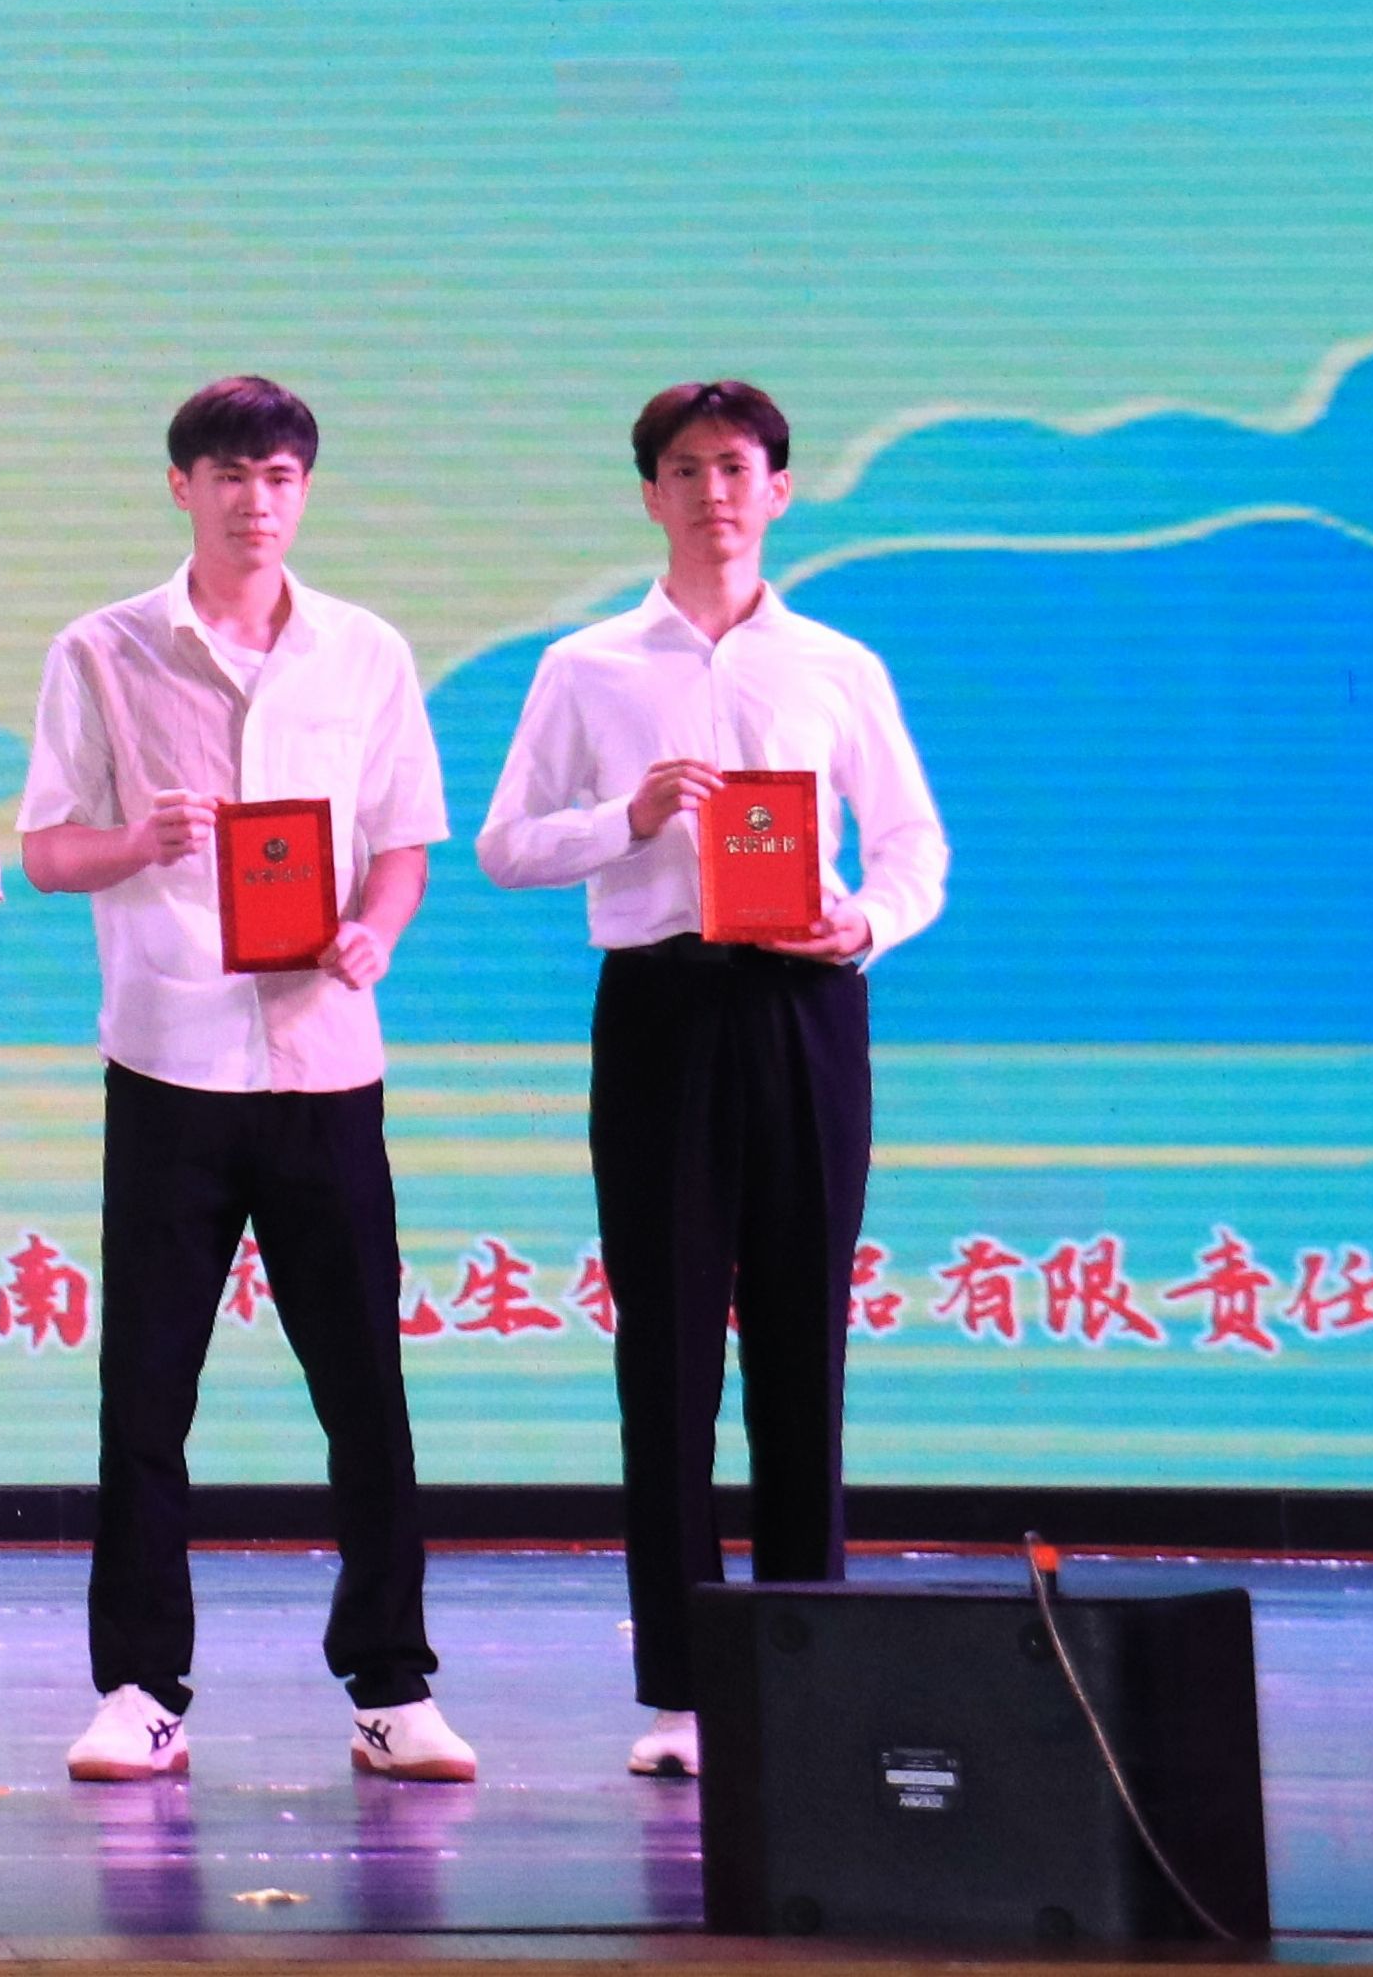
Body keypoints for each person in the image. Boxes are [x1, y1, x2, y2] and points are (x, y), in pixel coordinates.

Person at [477, 380, 948, 1780]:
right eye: (682, 469)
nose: (712, 492)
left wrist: (860, 921)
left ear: (779, 488)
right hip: (661, 1005)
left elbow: (913, 843)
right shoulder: (586, 665)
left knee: (802, 1335)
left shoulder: (836, 663)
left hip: (803, 998)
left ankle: (804, 1671)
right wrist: (621, 819)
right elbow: (505, 843)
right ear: (649, 494)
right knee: (667, 1348)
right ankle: (681, 1688)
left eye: (736, 467)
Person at [14, 379, 476, 1786]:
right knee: (146, 1392)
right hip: (171, 1056)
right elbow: (46, 848)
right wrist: (136, 841)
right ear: (180, 486)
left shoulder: (363, 651)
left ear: (303, 490)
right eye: (226, 472)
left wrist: (373, 932)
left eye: (277, 474)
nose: (252, 499)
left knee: (364, 1389)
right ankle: (140, 1686)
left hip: (324, 1058)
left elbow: (402, 841)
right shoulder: (100, 649)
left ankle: (390, 1685)